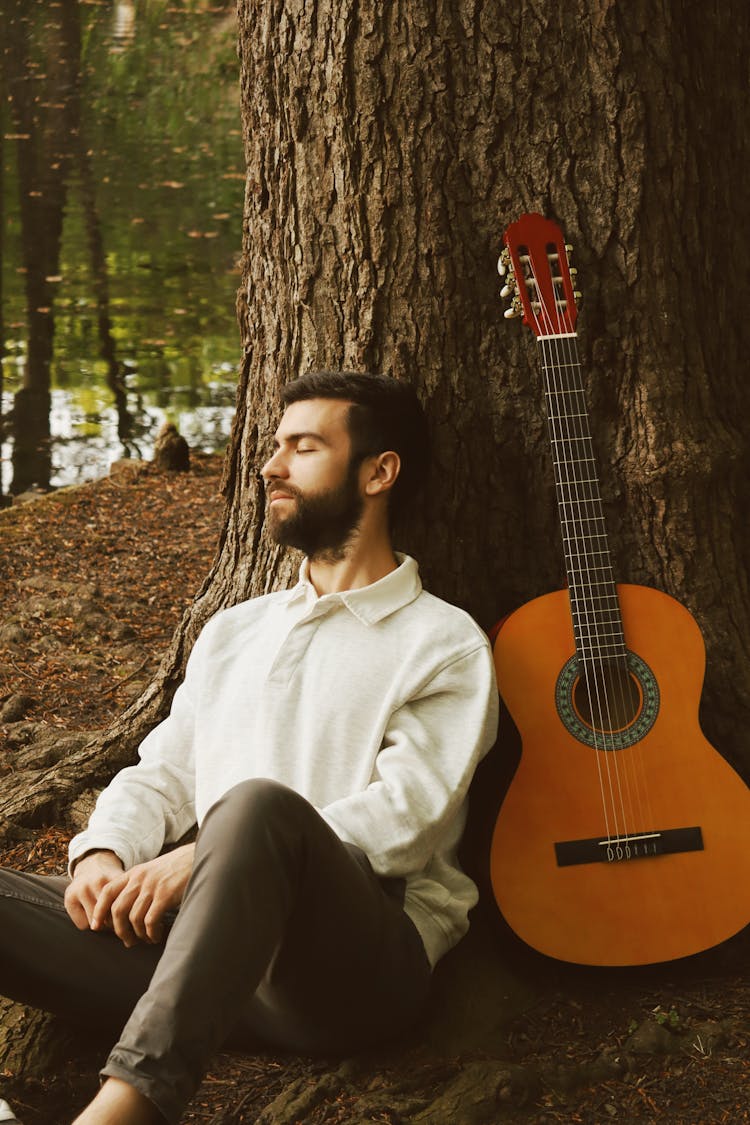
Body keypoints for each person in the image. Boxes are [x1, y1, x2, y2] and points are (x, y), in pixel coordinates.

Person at [0, 371, 499, 1124]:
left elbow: (408, 817)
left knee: (256, 807)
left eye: (302, 447)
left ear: (379, 471)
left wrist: (203, 854)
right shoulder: (237, 630)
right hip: (195, 955)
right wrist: (104, 853)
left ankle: (122, 1111)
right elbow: (165, 770)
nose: (269, 465)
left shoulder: (443, 643)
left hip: (346, 976)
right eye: (274, 445)